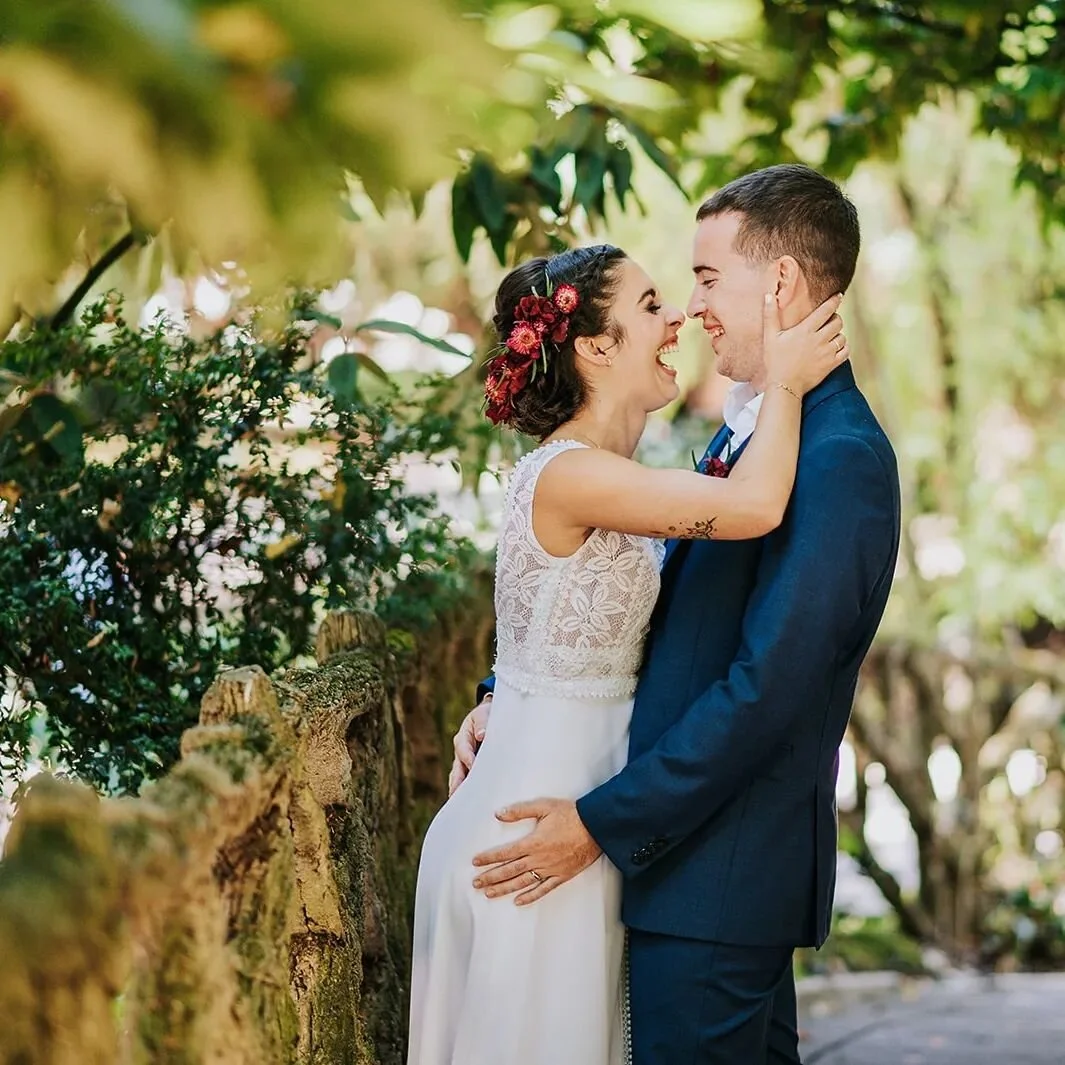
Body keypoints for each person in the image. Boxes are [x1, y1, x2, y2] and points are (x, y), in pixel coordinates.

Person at [450, 165, 902, 1064]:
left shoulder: (838, 456)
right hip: (684, 876)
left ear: (777, 284)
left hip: (716, 879)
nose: (692, 311)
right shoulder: (758, 434)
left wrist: (602, 821)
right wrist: (513, 692)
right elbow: (644, 608)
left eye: (704, 279)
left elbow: (764, 688)